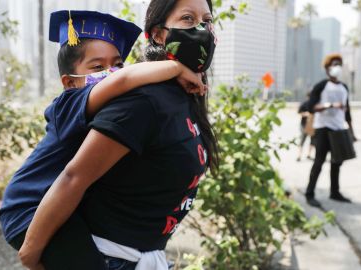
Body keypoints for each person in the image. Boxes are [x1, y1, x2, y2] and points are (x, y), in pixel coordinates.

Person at [17, 0, 218, 269]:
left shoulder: (176, 97)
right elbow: (73, 177)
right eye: (187, 19)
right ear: (158, 34)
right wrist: (30, 253)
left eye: (207, 20)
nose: (201, 29)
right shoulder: (78, 103)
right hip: (28, 206)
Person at [304, 53, 353, 207]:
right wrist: (330, 106)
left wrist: (352, 132)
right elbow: (310, 107)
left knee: (337, 162)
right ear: (327, 68)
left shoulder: (344, 87)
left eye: (339, 64)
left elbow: (348, 111)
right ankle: (310, 193)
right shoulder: (321, 86)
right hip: (323, 129)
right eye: (334, 64)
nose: (337, 67)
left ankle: (335, 192)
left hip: (338, 129)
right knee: (319, 161)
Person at [297, 93, 315, 162]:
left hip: (312, 126)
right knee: (302, 140)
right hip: (304, 125)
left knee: (312, 141)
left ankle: (309, 155)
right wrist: (306, 114)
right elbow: (299, 112)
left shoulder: (314, 104)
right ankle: (299, 155)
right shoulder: (304, 104)